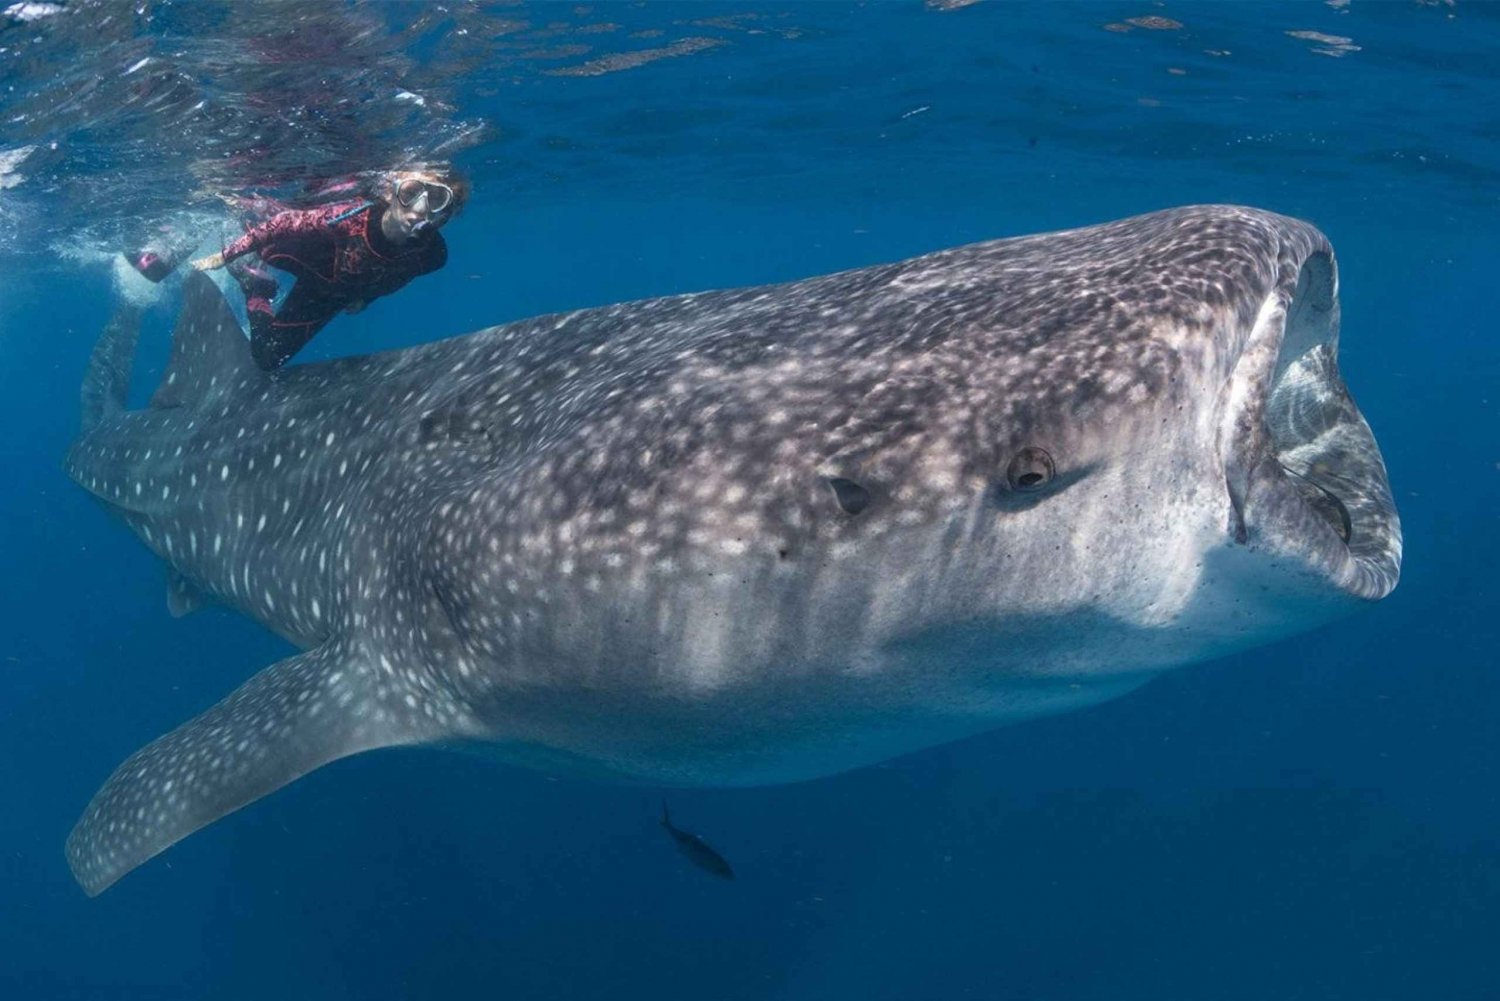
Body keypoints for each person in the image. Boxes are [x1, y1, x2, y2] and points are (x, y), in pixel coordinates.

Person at [192, 165, 468, 370]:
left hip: (333, 294)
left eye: (436, 200)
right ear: (390, 192)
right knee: (261, 238)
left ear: (445, 214)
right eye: (410, 192)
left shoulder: (433, 254)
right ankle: (252, 276)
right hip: (314, 259)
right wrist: (225, 256)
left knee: (267, 359)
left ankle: (257, 290)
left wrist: (367, 299)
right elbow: (284, 222)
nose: (419, 208)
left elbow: (398, 277)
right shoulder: (353, 216)